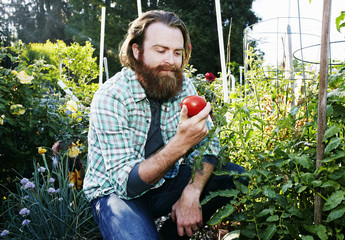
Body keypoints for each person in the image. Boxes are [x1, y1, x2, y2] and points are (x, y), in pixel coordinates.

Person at [83, 10, 246, 240]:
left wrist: (192, 190)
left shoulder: (183, 86)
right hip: (116, 195)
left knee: (237, 177)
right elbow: (127, 185)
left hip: (164, 184)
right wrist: (180, 145)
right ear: (137, 51)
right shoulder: (111, 97)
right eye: (160, 51)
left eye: (177, 52)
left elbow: (210, 146)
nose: (170, 61)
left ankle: (172, 233)